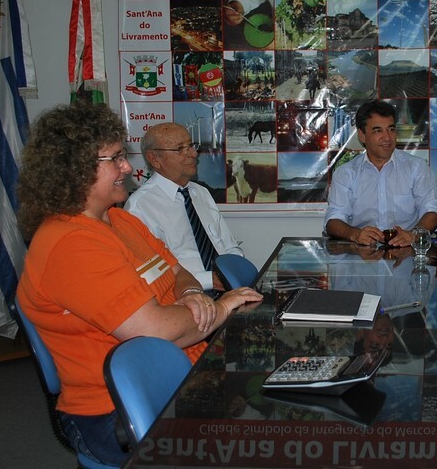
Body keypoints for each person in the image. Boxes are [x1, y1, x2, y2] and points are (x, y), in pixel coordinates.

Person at [15, 102, 263, 466]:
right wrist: (223, 305)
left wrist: (192, 293)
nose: (128, 168)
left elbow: (178, 272)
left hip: (182, 374)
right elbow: (156, 332)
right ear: (74, 168)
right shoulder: (70, 243)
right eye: (115, 159)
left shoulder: (121, 221)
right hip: (116, 409)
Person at [125, 123, 245, 292]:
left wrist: (234, 272)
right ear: (154, 159)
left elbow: (229, 245)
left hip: (227, 289)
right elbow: (149, 273)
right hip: (184, 297)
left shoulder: (200, 193)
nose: (193, 154)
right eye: (180, 149)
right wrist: (209, 280)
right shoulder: (139, 207)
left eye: (191, 146)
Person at [324, 100, 437, 247]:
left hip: (408, 251)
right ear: (362, 135)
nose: (387, 137)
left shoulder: (417, 167)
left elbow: (433, 209)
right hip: (362, 253)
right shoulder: (345, 173)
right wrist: (355, 234)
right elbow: (333, 220)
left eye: (391, 129)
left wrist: (413, 235)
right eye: (378, 131)